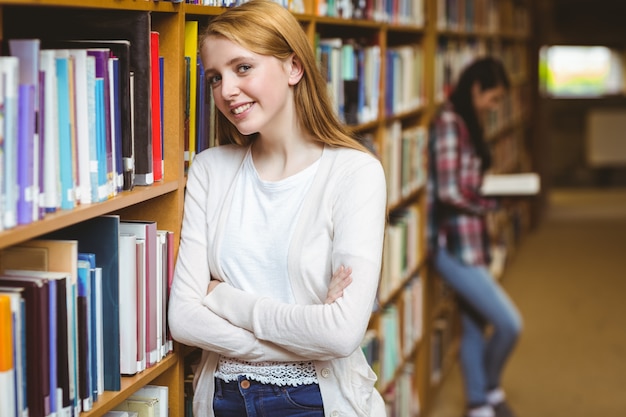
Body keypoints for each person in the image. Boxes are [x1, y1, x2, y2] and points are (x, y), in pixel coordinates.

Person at [167, 1, 388, 416]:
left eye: (243, 68)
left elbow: (340, 335)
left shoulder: (355, 173)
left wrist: (223, 298)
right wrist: (299, 337)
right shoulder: (211, 169)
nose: (227, 90)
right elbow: (183, 319)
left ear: (293, 68)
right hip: (223, 399)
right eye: (215, 78)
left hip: (314, 400)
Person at [427, 57, 523, 417]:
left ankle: (479, 401)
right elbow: (450, 191)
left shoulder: (468, 122)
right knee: (509, 323)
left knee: (473, 325)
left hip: (471, 239)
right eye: (493, 99)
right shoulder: (449, 124)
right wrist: (494, 201)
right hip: (452, 246)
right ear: (476, 89)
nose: (494, 107)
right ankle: (490, 388)